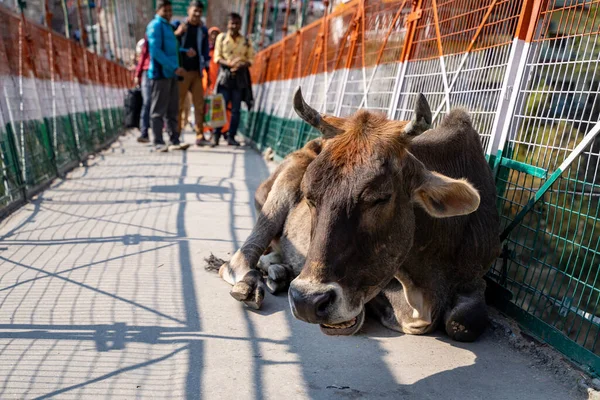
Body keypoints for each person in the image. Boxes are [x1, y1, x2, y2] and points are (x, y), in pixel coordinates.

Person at [146, 0, 189, 152]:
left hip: (172, 74)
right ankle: (157, 141)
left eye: (170, 11)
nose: (169, 14)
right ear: (158, 10)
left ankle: (174, 140)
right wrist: (174, 67)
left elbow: (172, 49)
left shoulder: (169, 27)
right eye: (166, 11)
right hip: (160, 74)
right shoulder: (155, 26)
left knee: (173, 109)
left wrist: (184, 53)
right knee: (158, 109)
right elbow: (156, 52)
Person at [212, 12, 255, 147]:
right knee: (220, 107)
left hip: (240, 77)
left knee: (236, 109)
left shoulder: (246, 41)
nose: (234, 26)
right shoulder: (221, 38)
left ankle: (231, 136)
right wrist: (230, 63)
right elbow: (217, 57)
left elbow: (251, 59)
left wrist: (241, 64)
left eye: (237, 23)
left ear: (240, 25)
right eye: (232, 23)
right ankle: (216, 135)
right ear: (228, 24)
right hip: (225, 75)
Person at [173, 1, 210, 147]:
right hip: (182, 71)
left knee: (199, 105)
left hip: (197, 72)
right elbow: (173, 45)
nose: (197, 14)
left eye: (200, 12)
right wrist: (179, 37)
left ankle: (200, 135)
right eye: (195, 11)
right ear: (188, 11)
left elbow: (206, 51)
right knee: (179, 104)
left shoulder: (203, 30)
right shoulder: (179, 26)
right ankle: (177, 134)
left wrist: (207, 72)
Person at [134, 37, 152, 143]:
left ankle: (158, 135)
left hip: (160, 73)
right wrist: (138, 74)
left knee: (157, 105)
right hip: (147, 72)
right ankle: (144, 132)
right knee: (147, 102)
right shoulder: (148, 39)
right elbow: (143, 57)